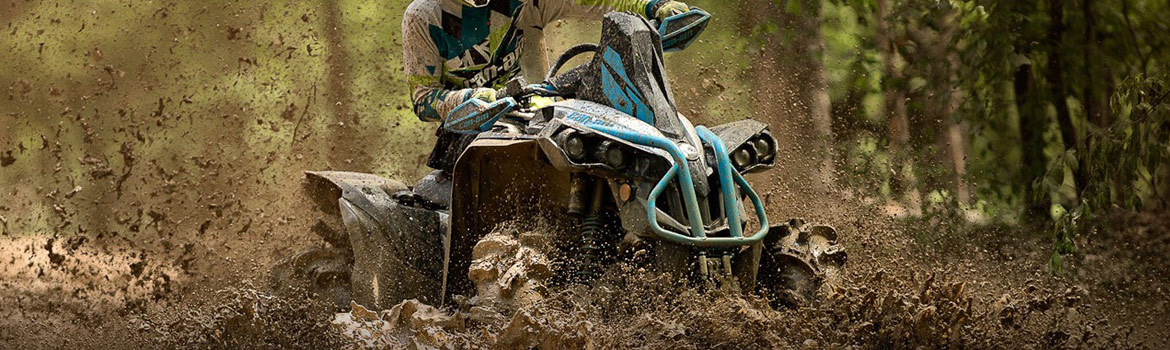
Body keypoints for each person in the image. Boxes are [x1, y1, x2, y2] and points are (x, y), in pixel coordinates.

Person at [402, 0, 690, 206]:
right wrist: (474, 97)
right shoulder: (424, 15)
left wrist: (652, 6)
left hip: (542, 113)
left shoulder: (527, 2)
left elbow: (600, 2)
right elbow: (423, 99)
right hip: (470, 127)